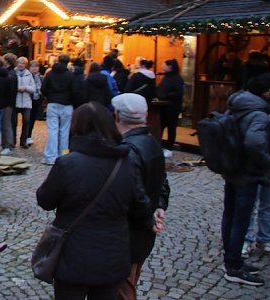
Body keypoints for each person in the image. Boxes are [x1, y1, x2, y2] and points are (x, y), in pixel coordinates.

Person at [36, 102, 158, 299]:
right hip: (113, 253)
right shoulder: (127, 163)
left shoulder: (68, 163)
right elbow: (141, 207)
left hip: (73, 254)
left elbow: (45, 200)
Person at [114, 93, 170, 300]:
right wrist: (160, 206)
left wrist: (151, 214)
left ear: (117, 115)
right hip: (141, 232)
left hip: (127, 233)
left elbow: (133, 196)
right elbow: (163, 182)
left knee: (122, 289)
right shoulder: (151, 142)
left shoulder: (129, 149)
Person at [220, 73, 270, 286]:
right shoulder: (259, 113)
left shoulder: (237, 103)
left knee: (230, 214)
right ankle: (234, 265)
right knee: (240, 218)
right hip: (247, 171)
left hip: (232, 166)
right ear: (263, 90)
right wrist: (265, 161)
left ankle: (230, 259)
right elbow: (254, 142)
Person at [242, 75, 270, 259]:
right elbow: (253, 140)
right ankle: (246, 240)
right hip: (256, 163)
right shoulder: (255, 109)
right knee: (250, 202)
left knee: (268, 204)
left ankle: (264, 239)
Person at [41, 54, 77, 166]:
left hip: (52, 103)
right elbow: (74, 91)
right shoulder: (70, 75)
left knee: (53, 130)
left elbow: (43, 89)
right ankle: (64, 155)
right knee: (64, 131)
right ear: (68, 62)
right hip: (66, 105)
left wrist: (50, 96)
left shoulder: (50, 74)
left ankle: (51, 157)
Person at [155, 59, 185, 151]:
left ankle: (169, 147)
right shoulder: (166, 77)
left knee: (171, 127)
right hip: (163, 106)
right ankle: (157, 145)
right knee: (160, 126)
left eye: (164, 65)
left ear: (170, 66)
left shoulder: (177, 79)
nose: (162, 66)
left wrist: (165, 96)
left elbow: (179, 93)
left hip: (172, 107)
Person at [12, 56, 36, 149]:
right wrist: (17, 88)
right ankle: (13, 141)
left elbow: (33, 88)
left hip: (26, 102)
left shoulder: (28, 74)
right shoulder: (13, 73)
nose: (21, 65)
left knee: (26, 121)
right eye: (19, 63)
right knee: (13, 122)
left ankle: (23, 140)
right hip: (16, 101)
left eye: (23, 63)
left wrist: (26, 88)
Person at [24, 60, 44, 147]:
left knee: (32, 119)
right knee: (27, 119)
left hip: (37, 100)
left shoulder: (41, 77)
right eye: (32, 66)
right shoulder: (27, 76)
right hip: (28, 99)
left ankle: (29, 136)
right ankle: (25, 136)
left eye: (36, 66)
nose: (34, 68)